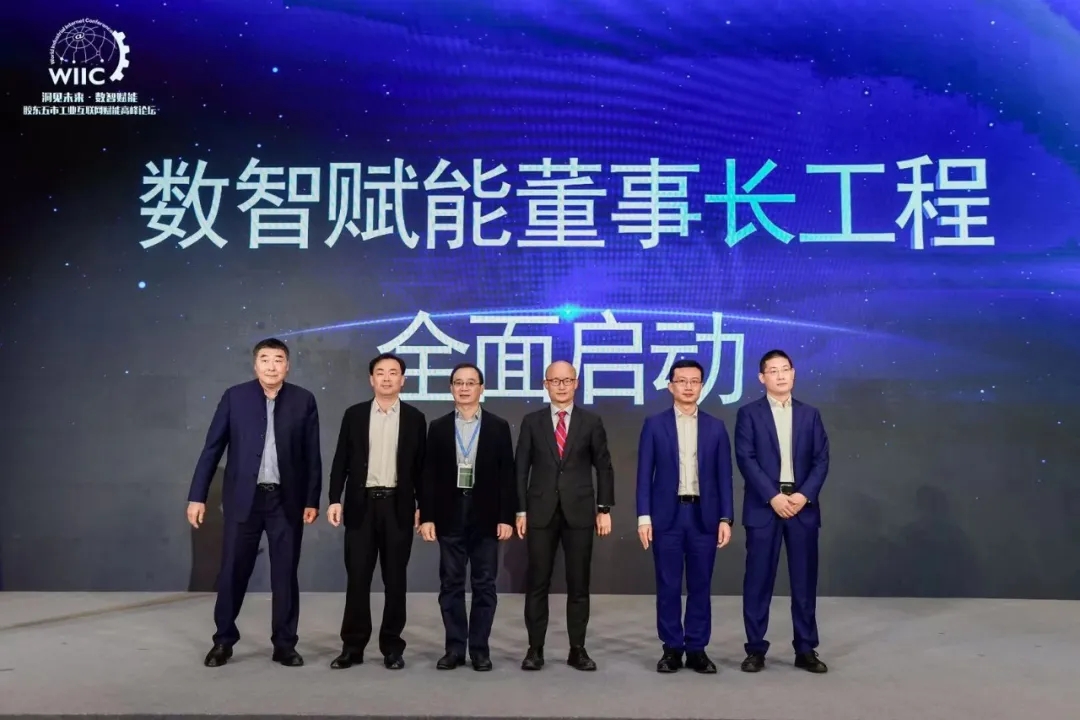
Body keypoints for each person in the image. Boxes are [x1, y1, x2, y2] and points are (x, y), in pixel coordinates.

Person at [186, 338, 322, 668]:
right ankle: (223, 641)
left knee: (285, 575)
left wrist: (311, 499)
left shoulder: (303, 400)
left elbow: (312, 456)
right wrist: (197, 495)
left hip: (285, 501)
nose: (271, 366)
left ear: (287, 365)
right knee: (233, 572)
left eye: (278, 359)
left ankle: (285, 644)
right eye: (265, 359)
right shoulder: (235, 397)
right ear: (255, 364)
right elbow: (212, 448)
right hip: (243, 499)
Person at [325, 353, 426, 670]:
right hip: (361, 506)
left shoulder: (415, 418)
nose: (386, 378)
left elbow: (422, 468)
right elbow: (340, 460)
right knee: (357, 578)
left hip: (398, 506)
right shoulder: (354, 415)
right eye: (380, 372)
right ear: (371, 379)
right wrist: (334, 498)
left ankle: (392, 647)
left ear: (403, 380)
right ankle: (352, 647)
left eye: (393, 373)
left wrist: (423, 506)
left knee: (395, 580)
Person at [515, 360, 615, 672]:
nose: (561, 386)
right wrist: (520, 510)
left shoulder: (591, 421)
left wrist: (604, 509)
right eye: (555, 381)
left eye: (567, 380)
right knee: (537, 583)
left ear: (576, 383)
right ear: (545, 384)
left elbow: (604, 466)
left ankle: (577, 649)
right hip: (540, 512)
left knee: (579, 584)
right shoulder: (532, 422)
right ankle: (535, 649)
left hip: (580, 512)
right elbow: (520, 469)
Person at [735, 349, 830, 674]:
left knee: (804, 582)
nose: (780, 375)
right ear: (762, 378)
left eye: (785, 369)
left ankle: (805, 649)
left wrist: (803, 495)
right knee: (758, 581)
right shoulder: (749, 414)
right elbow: (746, 459)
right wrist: (773, 496)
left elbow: (821, 460)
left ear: (793, 373)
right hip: (764, 507)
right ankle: (755, 649)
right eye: (773, 371)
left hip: (802, 507)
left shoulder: (810, 415)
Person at [636, 359, 734, 674]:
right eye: (682, 381)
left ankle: (697, 649)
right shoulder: (654, 424)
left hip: (704, 516)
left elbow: (724, 476)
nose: (688, 387)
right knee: (667, 585)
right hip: (667, 516)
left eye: (694, 381)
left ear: (702, 386)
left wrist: (726, 518)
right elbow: (644, 474)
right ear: (670, 386)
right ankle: (671, 648)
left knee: (700, 585)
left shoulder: (716, 427)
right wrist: (643, 517)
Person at [418, 363, 516, 671]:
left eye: (470, 383)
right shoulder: (438, 427)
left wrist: (506, 517)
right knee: (451, 584)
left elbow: (507, 476)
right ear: (451, 388)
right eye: (458, 383)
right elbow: (428, 476)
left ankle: (480, 649)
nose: (464, 388)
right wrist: (427, 516)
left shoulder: (498, 426)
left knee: (484, 584)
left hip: (486, 515)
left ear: (481, 388)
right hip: (449, 514)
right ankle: (454, 648)